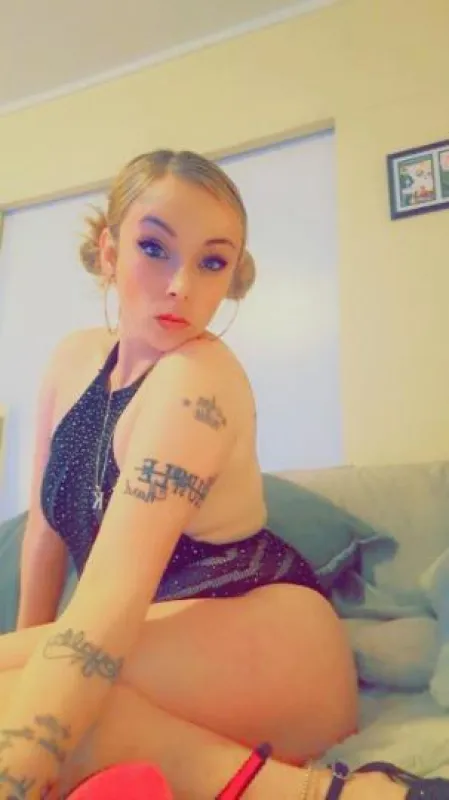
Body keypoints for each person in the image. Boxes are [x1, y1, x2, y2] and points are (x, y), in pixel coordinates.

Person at [0, 150, 427, 799]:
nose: (181, 284)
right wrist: (26, 650)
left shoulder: (196, 380)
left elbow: (110, 601)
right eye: (154, 248)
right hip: (158, 633)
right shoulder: (71, 359)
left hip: (271, 642)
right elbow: (43, 536)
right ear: (109, 251)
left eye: (211, 262)